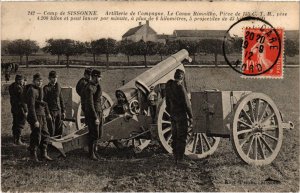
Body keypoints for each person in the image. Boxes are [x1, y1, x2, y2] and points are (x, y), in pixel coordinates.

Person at [165, 69, 193, 166]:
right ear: (182, 77)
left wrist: (170, 112)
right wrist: (191, 116)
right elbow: (187, 104)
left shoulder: (169, 86)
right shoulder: (180, 87)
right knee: (182, 137)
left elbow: (167, 102)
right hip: (181, 115)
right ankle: (180, 160)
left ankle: (176, 157)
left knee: (175, 136)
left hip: (173, 114)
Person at [27, 73, 53, 162]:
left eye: (41, 81)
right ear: (33, 81)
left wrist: (48, 113)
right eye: (38, 81)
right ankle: (33, 155)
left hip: (42, 115)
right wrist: (35, 120)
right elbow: (31, 107)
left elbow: (43, 103)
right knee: (36, 135)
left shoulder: (40, 89)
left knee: (45, 134)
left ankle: (43, 153)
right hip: (35, 116)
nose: (40, 83)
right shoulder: (31, 90)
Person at [83, 69, 103, 160]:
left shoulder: (97, 86)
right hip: (92, 113)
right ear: (94, 77)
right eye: (99, 77)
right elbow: (90, 104)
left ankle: (95, 152)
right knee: (94, 134)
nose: (100, 79)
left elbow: (99, 100)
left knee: (99, 134)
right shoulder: (89, 88)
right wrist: (95, 117)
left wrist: (101, 114)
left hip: (99, 112)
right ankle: (91, 154)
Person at [43, 71, 66, 136]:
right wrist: (48, 113)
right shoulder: (46, 88)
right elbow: (45, 102)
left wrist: (63, 111)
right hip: (51, 112)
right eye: (53, 77)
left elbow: (61, 100)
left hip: (58, 111)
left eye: (56, 77)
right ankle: (51, 143)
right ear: (49, 78)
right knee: (51, 130)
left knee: (59, 129)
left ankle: (58, 143)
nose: (55, 79)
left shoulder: (58, 87)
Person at [8, 74, 28, 145]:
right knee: (20, 123)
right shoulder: (19, 88)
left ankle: (15, 138)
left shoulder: (12, 86)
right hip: (20, 108)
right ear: (19, 80)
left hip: (14, 108)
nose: (23, 81)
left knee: (15, 122)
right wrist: (26, 110)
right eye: (22, 80)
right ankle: (18, 140)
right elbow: (23, 100)